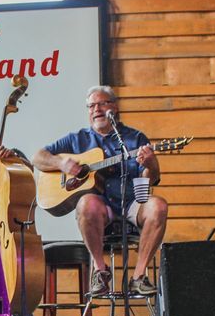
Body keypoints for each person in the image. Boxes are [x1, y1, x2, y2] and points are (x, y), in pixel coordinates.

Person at [32, 86, 167, 297]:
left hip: (132, 201)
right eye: (91, 106)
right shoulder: (77, 139)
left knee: (158, 206)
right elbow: (38, 158)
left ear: (114, 107)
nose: (96, 109)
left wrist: (151, 163)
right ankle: (100, 271)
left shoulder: (135, 138)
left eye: (102, 103)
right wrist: (61, 162)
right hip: (101, 207)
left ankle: (138, 277)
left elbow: (148, 179)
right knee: (85, 203)